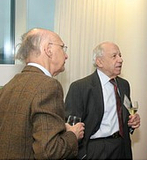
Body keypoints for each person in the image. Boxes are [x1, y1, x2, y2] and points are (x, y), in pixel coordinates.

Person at [0, 28, 84, 159]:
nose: (66, 55)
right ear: (48, 49)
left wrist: (61, 129)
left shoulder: (9, 86)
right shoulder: (49, 86)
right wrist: (73, 134)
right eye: (62, 47)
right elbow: (49, 152)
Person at [65, 41, 141, 160]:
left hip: (121, 147)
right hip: (95, 149)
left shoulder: (124, 85)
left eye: (120, 55)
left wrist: (132, 122)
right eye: (114, 56)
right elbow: (71, 125)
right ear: (99, 62)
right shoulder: (80, 87)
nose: (120, 60)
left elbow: (124, 114)